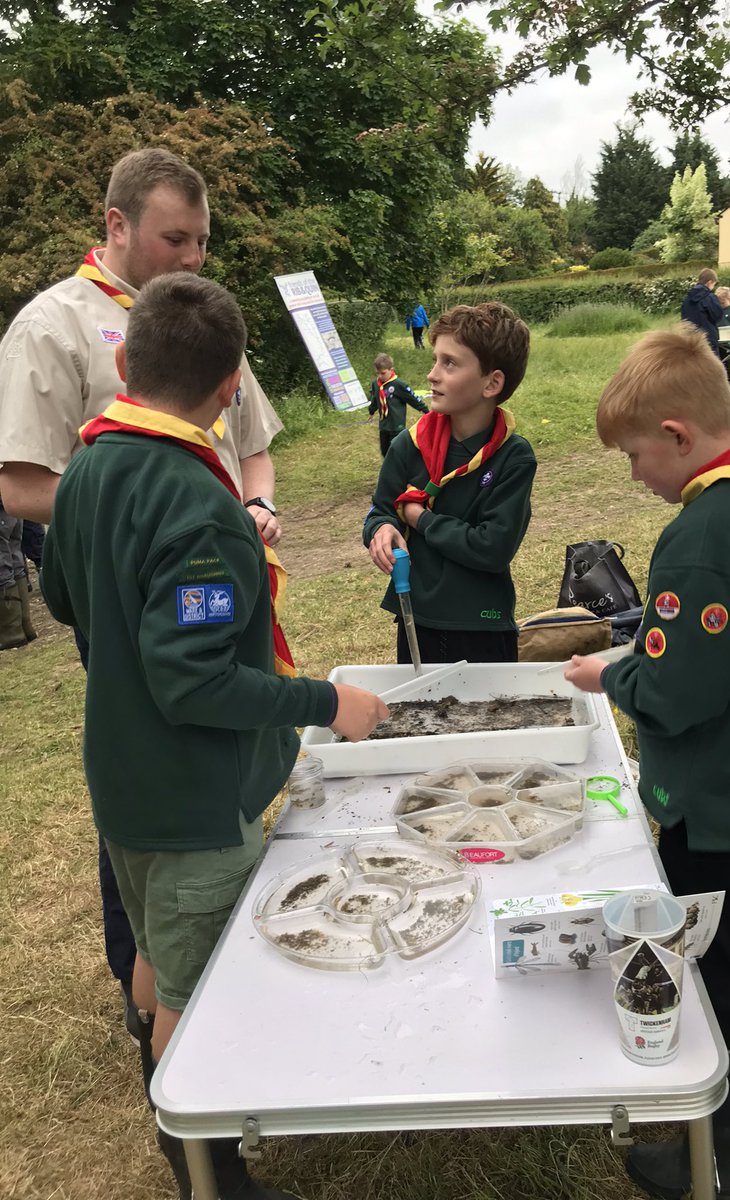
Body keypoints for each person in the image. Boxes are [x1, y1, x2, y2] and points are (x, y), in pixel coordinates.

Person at [40, 273, 388, 1200]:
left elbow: (62, 598)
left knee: (156, 948)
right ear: (233, 385)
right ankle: (204, 1162)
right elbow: (194, 682)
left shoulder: (88, 466)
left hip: (122, 775)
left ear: (125, 358)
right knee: (197, 988)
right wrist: (324, 703)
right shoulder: (200, 509)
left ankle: (175, 1104)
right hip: (192, 798)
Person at [0, 146, 285, 1038]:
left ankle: (185, 952)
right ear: (117, 224)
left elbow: (252, 436)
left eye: (202, 241)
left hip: (215, 569)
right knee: (157, 770)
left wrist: (254, 501)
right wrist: (163, 518)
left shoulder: (199, 319)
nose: (194, 257)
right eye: (176, 238)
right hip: (136, 591)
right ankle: (160, 989)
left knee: (207, 766)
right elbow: (21, 481)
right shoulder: (55, 327)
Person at [564, 323, 730, 1200]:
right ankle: (720, 1124)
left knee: (707, 958)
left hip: (718, 793)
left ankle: (717, 1151)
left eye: (636, 455)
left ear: (676, 436)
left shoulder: (706, 531)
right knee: (722, 944)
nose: (634, 474)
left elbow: (680, 693)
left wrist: (616, 670)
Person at [363, 301, 536, 664]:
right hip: (416, 620)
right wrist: (380, 529)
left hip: (483, 625)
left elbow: (492, 549)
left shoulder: (513, 457)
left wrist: (419, 519)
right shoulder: (408, 445)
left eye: (450, 363)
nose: (432, 375)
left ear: (492, 383)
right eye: (435, 360)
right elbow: (380, 511)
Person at [367, 352, 429, 457]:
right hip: (384, 424)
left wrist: (424, 410)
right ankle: (389, 468)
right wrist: (371, 411)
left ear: (391, 370)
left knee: (396, 450)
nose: (380, 376)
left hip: (397, 424)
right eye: (377, 373)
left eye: (383, 373)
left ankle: (401, 468)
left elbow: (412, 398)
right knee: (385, 451)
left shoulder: (398, 385)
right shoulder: (376, 384)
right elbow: (375, 399)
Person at [0, 501, 36, 648]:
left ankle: (11, 632)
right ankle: (24, 625)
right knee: (14, 556)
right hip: (9, 499)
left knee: (3, 563)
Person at [681, 267, 724, 356]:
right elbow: (718, 316)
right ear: (710, 282)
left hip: (690, 340)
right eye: (714, 285)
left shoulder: (687, 299)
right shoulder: (710, 297)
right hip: (708, 340)